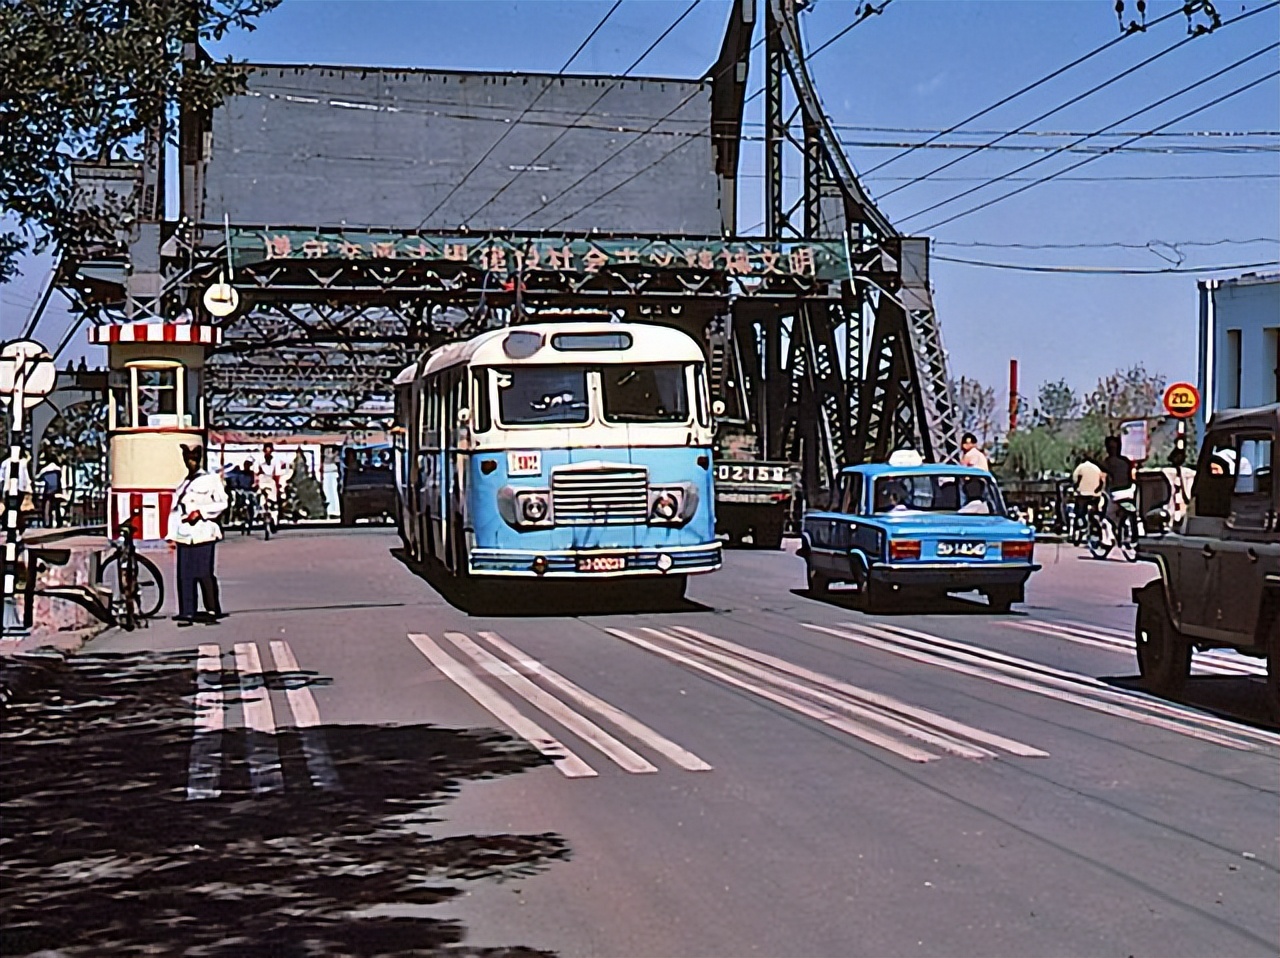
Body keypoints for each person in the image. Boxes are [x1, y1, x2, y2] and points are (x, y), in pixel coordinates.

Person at [167, 444, 228, 626]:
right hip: (185, 534)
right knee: (185, 575)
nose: (190, 463)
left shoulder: (211, 480)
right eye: (188, 459)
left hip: (204, 532)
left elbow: (222, 503)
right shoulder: (182, 484)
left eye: (193, 459)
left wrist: (201, 512)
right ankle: (187, 611)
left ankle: (211, 609)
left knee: (204, 573)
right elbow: (175, 511)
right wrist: (171, 535)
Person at [1102, 436, 1136, 538]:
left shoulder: (1107, 462)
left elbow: (1104, 479)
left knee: (1108, 517)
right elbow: (1132, 477)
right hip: (1130, 492)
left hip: (1115, 493)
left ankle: (1110, 537)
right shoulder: (1126, 461)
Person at [254, 442, 292, 528]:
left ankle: (274, 520)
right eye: (266, 451)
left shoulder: (275, 460)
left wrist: (278, 485)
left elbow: (277, 474)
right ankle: (261, 513)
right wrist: (256, 482)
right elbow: (256, 473)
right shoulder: (259, 460)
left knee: (273, 501)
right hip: (262, 480)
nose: (268, 453)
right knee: (262, 499)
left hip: (271, 481)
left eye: (269, 451)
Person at [1071, 456, 1106, 530]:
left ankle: (1080, 525)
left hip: (1082, 494)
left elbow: (1076, 480)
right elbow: (1102, 481)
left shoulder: (1080, 467)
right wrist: (1097, 490)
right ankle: (1096, 524)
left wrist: (1075, 488)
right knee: (1095, 511)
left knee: (1079, 511)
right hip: (1095, 495)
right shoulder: (1096, 468)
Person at [35, 458, 64, 528]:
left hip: (48, 490)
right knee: (57, 507)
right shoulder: (58, 469)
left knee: (47, 507)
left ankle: (48, 523)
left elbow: (38, 478)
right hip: (56, 489)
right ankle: (59, 522)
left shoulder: (44, 470)